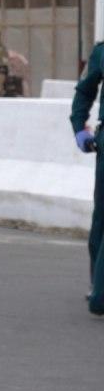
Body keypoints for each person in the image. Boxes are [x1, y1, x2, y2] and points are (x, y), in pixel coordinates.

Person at [71, 41, 104, 317]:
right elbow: (85, 90)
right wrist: (79, 126)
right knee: (101, 219)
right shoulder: (102, 52)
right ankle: (98, 285)